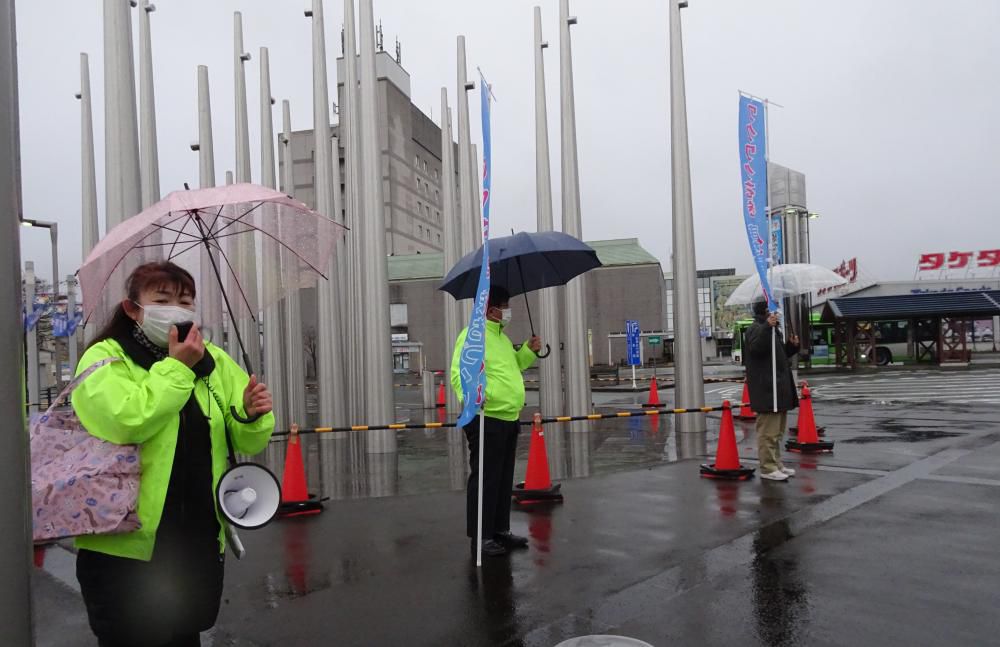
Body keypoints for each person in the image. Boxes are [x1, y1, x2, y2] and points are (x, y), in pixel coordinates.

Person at [71, 262, 275, 647]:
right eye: (162, 299)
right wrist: (179, 368)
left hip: (196, 537)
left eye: (185, 301)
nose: (177, 309)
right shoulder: (105, 358)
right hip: (125, 544)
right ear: (133, 309)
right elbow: (127, 420)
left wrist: (250, 415)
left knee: (184, 635)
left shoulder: (212, 360)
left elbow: (247, 442)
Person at [451, 285, 542, 557]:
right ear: (491, 310)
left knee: (502, 478)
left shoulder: (500, 337)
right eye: (504, 306)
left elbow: (513, 366)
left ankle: (500, 530)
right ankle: (481, 537)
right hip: (485, 418)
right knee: (485, 480)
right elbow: (458, 374)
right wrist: (477, 397)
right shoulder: (472, 336)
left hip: (508, 417)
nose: (507, 312)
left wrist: (528, 350)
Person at [745, 299, 800, 482]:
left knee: (777, 433)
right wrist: (768, 327)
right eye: (773, 310)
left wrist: (791, 347)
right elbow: (755, 349)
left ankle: (777, 464)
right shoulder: (756, 328)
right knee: (768, 433)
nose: (776, 313)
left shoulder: (772, 330)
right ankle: (768, 468)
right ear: (766, 311)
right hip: (768, 389)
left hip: (778, 389)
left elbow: (777, 357)